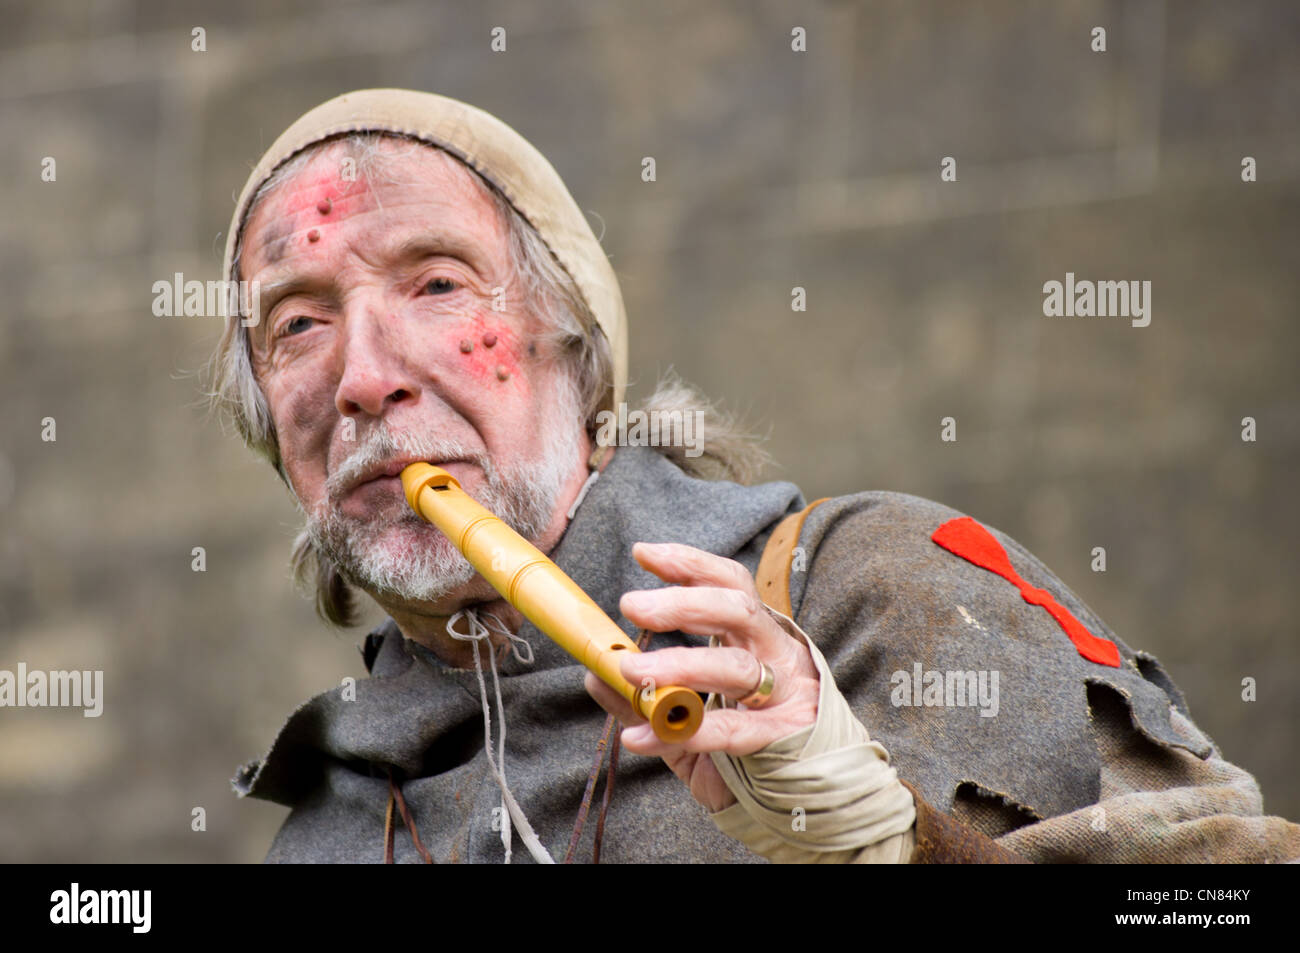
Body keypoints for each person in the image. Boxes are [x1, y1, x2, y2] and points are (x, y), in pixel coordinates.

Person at [215, 89, 1300, 863]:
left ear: (574, 351)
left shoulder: (878, 591)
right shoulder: (326, 826)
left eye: (439, 285)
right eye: (298, 324)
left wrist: (896, 846)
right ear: (274, 425)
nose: (362, 376)